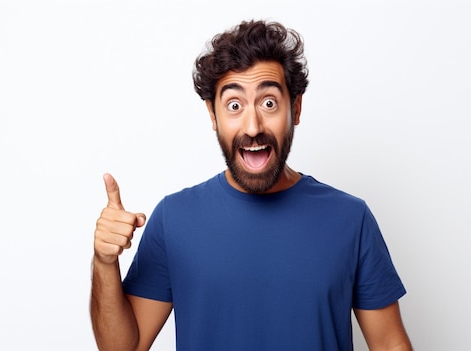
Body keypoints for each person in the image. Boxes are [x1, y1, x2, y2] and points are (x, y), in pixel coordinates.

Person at [91, 19, 412, 351]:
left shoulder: (351, 218)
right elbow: (120, 348)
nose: (253, 125)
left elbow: (390, 344)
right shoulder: (174, 219)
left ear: (296, 108)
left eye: (269, 102)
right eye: (234, 105)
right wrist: (104, 261)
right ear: (213, 115)